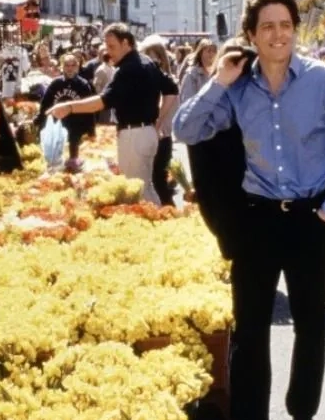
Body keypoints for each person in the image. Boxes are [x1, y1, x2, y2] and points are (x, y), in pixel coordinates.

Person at [174, 0, 325, 420]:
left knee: (310, 324)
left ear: (295, 29)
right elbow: (187, 128)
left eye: (285, 25)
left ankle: (302, 411)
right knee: (249, 334)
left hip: (310, 221)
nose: (278, 35)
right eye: (267, 28)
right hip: (257, 221)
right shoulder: (238, 87)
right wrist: (219, 79)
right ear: (252, 36)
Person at [48, 23, 167, 204]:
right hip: (145, 132)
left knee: (136, 191)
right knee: (145, 187)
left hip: (134, 134)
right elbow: (172, 90)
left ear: (126, 43)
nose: (108, 52)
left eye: (112, 47)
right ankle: (158, 223)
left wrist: (69, 107)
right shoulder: (146, 62)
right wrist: (159, 121)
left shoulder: (128, 69)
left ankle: (156, 225)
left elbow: (103, 101)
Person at [184, 38, 249, 261]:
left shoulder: (260, 93)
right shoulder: (213, 96)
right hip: (223, 187)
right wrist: (220, 82)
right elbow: (186, 131)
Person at [37, 52, 95, 169]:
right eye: (67, 65)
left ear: (77, 67)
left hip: (76, 122)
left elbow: (90, 108)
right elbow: (45, 103)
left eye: (73, 65)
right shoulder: (56, 83)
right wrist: (40, 120)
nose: (69, 68)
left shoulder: (83, 84)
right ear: (62, 67)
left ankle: (73, 163)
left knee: (73, 149)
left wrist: (91, 130)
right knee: (55, 153)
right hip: (58, 122)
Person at [141, 39, 181, 206]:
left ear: (160, 59)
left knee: (158, 180)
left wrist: (157, 126)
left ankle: (168, 212)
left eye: (151, 58)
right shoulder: (149, 81)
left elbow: (167, 110)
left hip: (161, 135)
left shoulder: (168, 82)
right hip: (154, 134)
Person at [179, 39, 217, 104]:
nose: (212, 54)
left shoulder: (218, 73)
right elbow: (187, 100)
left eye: (214, 51)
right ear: (200, 53)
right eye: (209, 51)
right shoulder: (192, 74)